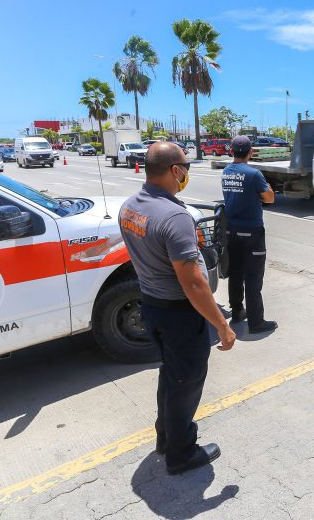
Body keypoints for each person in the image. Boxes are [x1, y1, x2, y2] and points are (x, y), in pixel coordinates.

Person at [118, 141, 236, 476]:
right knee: (186, 382)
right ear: (174, 170)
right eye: (185, 166)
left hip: (152, 305)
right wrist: (222, 325)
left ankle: (166, 439)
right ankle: (181, 454)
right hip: (178, 316)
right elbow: (194, 283)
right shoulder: (174, 216)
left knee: (171, 376)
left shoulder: (130, 207)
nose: (186, 173)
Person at [221, 135, 277, 334]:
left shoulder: (226, 172)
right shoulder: (254, 174)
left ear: (231, 151)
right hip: (252, 232)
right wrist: (268, 190)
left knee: (236, 272)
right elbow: (269, 198)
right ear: (251, 152)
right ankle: (256, 322)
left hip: (231, 230)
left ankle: (237, 311)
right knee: (253, 276)